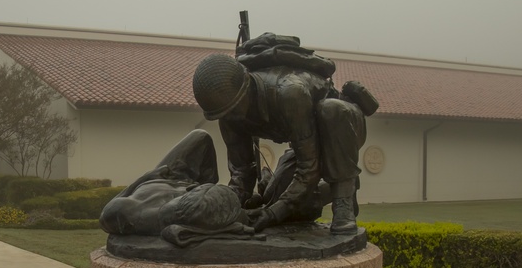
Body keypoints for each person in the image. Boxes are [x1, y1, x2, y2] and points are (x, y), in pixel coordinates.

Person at [191, 51, 374, 235]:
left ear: (248, 87)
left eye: (234, 108)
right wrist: (231, 204)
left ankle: (344, 194)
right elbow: (241, 171)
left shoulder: (290, 93)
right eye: (224, 114)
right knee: (276, 199)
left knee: (331, 110)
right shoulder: (228, 114)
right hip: (307, 143)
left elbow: (308, 168)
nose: (232, 118)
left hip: (343, 130)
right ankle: (331, 189)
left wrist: (272, 214)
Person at [99, 129, 257, 245]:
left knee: (201, 138)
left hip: (163, 177)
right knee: (201, 138)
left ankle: (229, 185)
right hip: (178, 183)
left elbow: (109, 210)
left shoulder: (119, 213)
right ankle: (242, 179)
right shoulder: (178, 214)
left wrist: (147, 176)